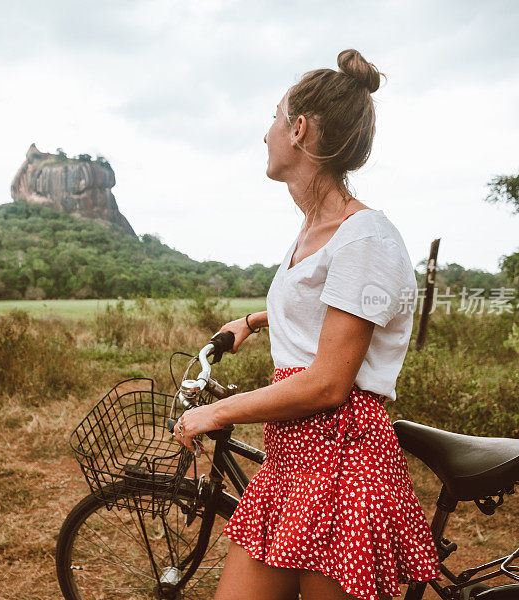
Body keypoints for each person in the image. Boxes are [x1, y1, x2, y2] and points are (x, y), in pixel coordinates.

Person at [172, 49, 441, 600]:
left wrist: (216, 411)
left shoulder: (365, 236)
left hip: (342, 458)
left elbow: (327, 383)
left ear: (298, 129)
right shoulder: (316, 229)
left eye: (274, 118)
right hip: (293, 456)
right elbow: (326, 305)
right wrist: (253, 320)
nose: (264, 133)